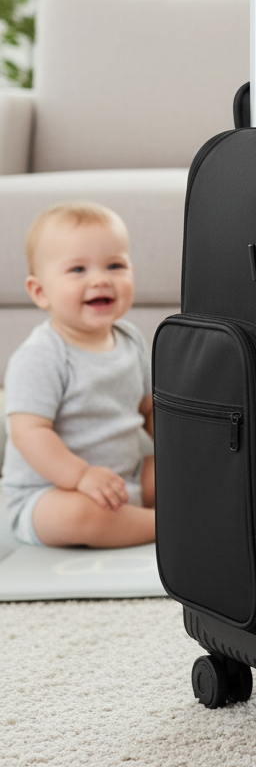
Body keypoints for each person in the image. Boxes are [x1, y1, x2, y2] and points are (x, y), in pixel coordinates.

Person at [2, 201, 155, 548]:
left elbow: (149, 410)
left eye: (115, 265)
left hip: (125, 477)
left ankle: (150, 515)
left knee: (185, 473)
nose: (100, 279)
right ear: (41, 292)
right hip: (51, 493)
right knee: (80, 517)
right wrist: (81, 476)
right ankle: (168, 527)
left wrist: (186, 452)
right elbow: (29, 433)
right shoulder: (42, 354)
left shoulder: (131, 340)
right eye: (77, 270)